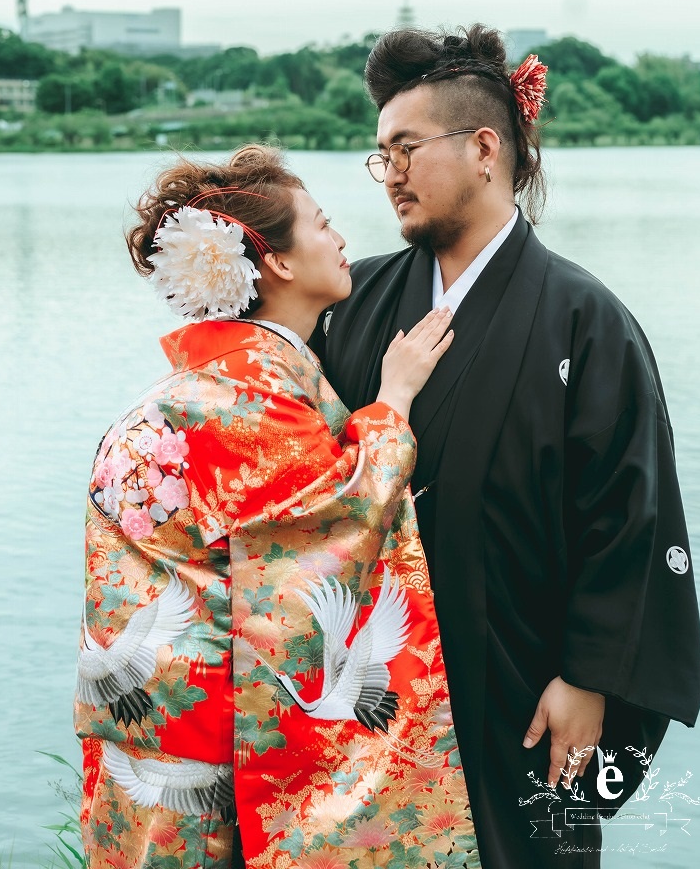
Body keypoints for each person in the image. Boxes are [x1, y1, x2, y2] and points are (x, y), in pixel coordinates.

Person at [311, 25, 700, 869]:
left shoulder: (580, 316)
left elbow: (627, 512)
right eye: (381, 156)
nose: (391, 175)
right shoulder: (361, 299)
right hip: (372, 682)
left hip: (521, 679)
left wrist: (589, 676)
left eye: (406, 148)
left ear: (484, 147)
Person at [75, 145, 475, 869]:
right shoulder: (249, 391)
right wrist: (391, 404)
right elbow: (333, 527)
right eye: (322, 224)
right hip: (201, 747)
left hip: (165, 720)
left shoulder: (224, 377)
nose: (342, 238)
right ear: (280, 265)